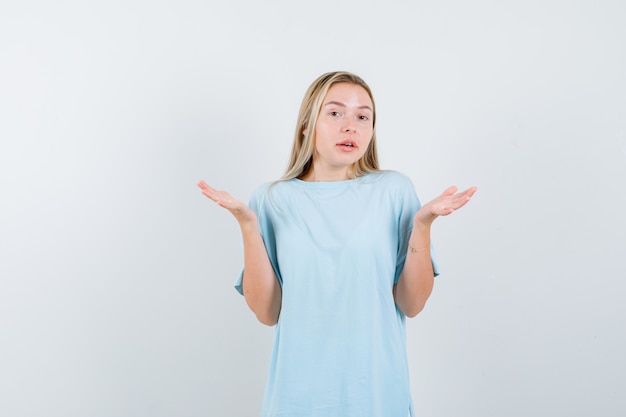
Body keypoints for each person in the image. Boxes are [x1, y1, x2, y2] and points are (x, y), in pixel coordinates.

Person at [198, 71, 477, 417]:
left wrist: (422, 226)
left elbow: (412, 303)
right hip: (298, 397)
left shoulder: (394, 190)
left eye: (363, 116)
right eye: (335, 113)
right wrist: (248, 227)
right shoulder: (272, 199)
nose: (351, 126)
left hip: (376, 395)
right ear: (306, 125)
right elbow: (267, 313)